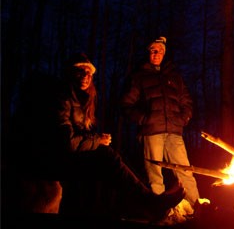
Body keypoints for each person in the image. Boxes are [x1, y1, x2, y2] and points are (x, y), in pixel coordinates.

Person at [55, 52, 184, 220]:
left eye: (89, 73)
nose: (86, 76)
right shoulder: (63, 98)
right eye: (81, 71)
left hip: (72, 155)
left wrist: (97, 138)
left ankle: (139, 206)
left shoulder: (80, 100)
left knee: (114, 158)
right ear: (71, 73)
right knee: (107, 157)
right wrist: (96, 141)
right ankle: (151, 203)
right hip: (59, 159)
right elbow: (68, 143)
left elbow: (79, 134)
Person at [121, 36, 200, 208]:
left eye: (160, 50)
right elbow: (126, 104)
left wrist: (183, 118)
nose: (156, 53)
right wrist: (144, 118)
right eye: (153, 50)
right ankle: (159, 210)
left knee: (184, 170)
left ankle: (196, 207)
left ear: (164, 53)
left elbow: (186, 102)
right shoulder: (139, 76)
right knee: (154, 174)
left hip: (174, 132)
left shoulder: (174, 77)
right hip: (151, 132)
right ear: (149, 52)